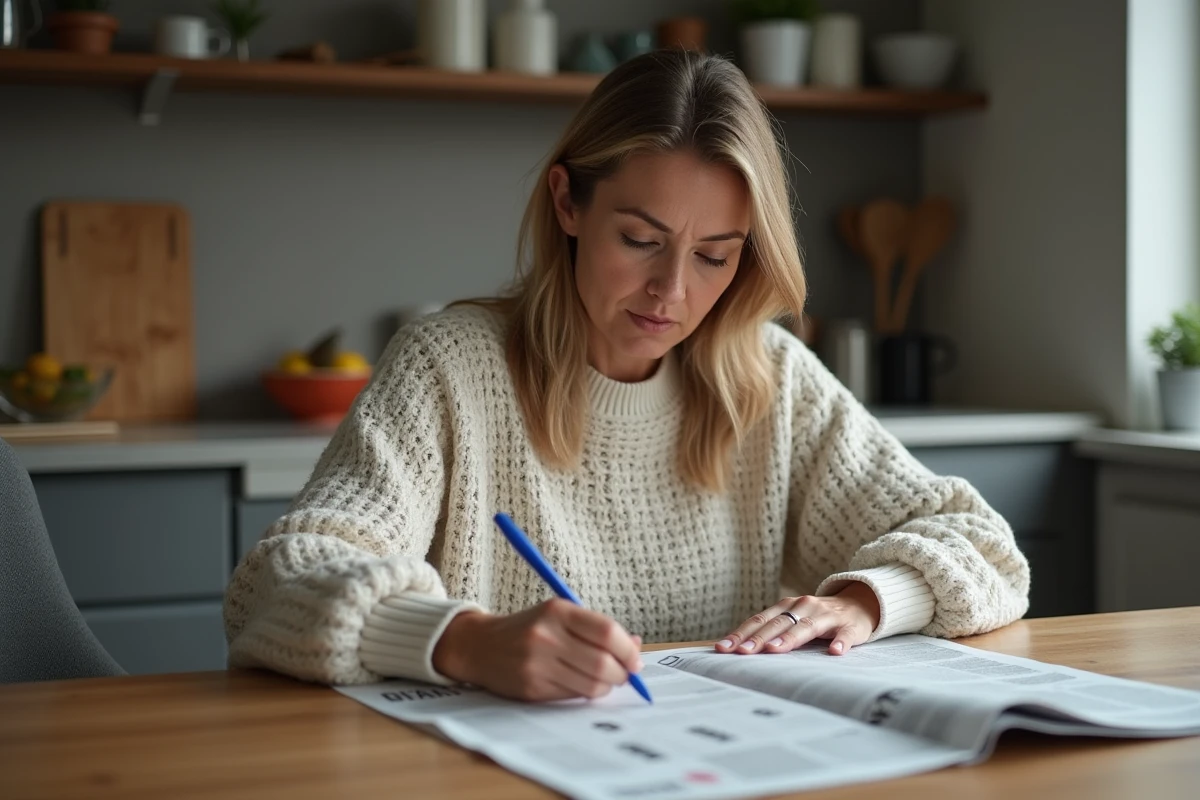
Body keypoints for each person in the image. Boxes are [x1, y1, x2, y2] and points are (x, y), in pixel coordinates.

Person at [224, 50, 1028, 702]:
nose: (672, 292)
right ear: (569, 203)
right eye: (641, 240)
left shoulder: (768, 377)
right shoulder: (451, 366)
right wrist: (463, 641)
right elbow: (277, 584)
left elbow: (986, 550)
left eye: (714, 255)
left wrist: (861, 601)